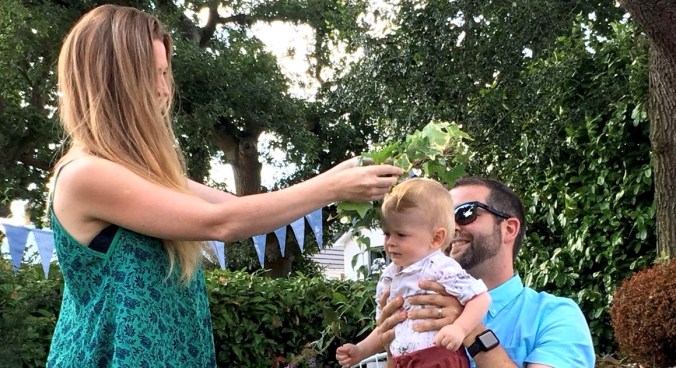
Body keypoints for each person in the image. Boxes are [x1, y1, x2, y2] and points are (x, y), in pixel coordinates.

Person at [47, 5, 402, 367]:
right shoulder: (85, 174)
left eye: (165, 73)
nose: (163, 89)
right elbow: (222, 221)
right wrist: (332, 186)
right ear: (111, 81)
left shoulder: (140, 174)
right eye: (149, 75)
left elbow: (233, 207)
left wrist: (340, 174)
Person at [376, 177, 596, 368]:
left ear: (509, 228)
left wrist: (470, 329)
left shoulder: (554, 315)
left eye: (465, 213)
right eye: (444, 218)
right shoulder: (410, 296)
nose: (451, 227)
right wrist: (393, 350)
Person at [337, 178, 491, 368]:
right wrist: (361, 350)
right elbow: (387, 326)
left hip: (438, 357)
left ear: (436, 238)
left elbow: (480, 299)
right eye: (387, 233)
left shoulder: (441, 267)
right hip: (403, 361)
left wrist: (459, 328)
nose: (390, 242)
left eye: (401, 235)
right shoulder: (390, 275)